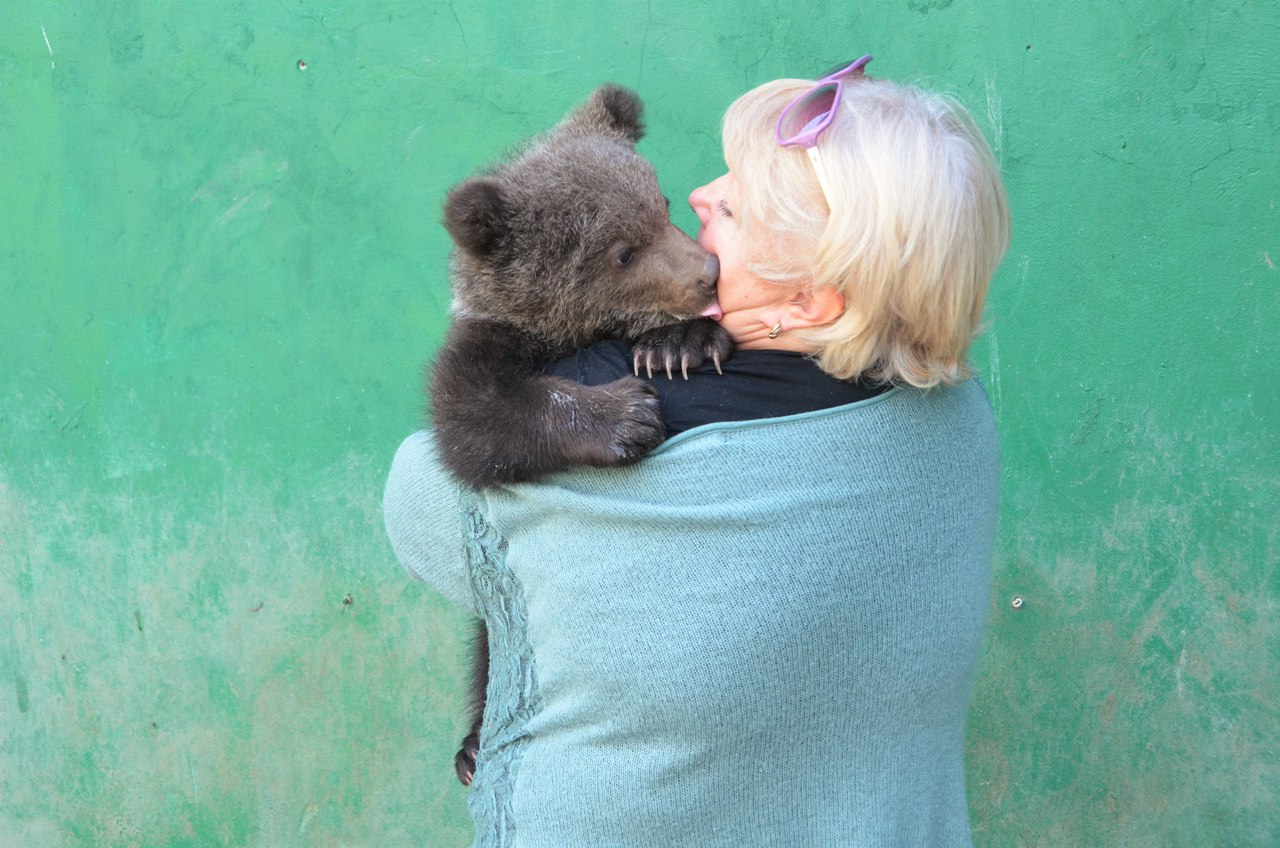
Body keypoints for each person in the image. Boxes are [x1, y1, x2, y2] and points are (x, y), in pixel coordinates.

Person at [384, 56, 1010, 847]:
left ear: (809, 298)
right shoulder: (962, 424)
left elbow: (424, 498)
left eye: (738, 210)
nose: (701, 197)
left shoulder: (633, 412)